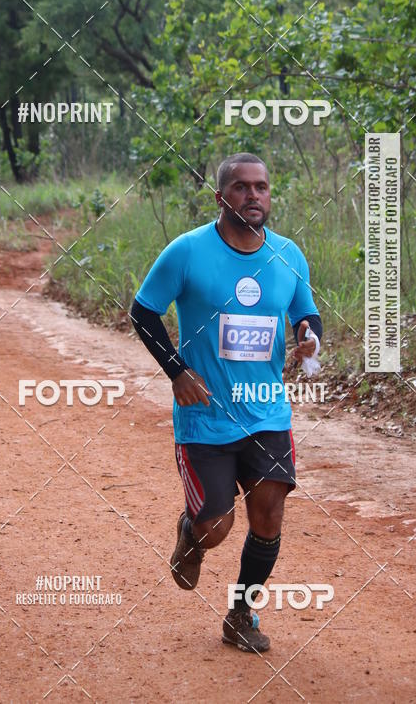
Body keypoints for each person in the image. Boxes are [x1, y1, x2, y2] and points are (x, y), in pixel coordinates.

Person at [130, 153, 322, 653]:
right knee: (217, 524)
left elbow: (307, 314)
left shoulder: (288, 255)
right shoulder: (187, 252)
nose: (253, 195)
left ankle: (241, 613)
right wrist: (176, 371)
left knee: (268, 516)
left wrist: (308, 337)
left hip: (266, 410)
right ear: (221, 196)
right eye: (241, 187)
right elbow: (143, 312)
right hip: (206, 417)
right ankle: (192, 535)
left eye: (261, 187)